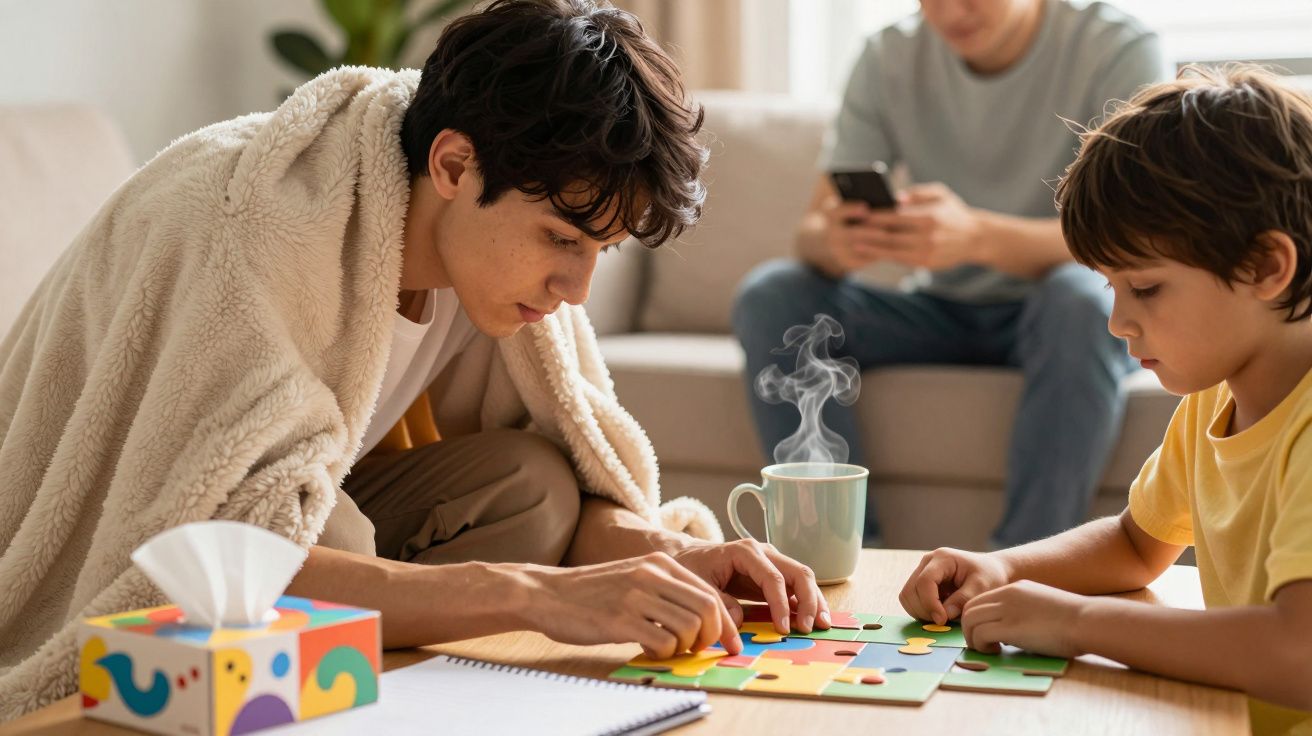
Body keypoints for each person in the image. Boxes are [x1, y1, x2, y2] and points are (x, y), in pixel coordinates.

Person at [0, 0, 828, 718]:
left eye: (598, 251)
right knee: (343, 543)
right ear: (455, 164)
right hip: (161, 539)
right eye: (562, 239)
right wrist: (538, 598)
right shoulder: (248, 223)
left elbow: (575, 490)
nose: (575, 289)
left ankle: (397, 645)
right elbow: (206, 546)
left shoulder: (491, 273)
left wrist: (670, 558)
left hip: (322, 507)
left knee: (535, 485)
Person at [900, 66, 1312, 735]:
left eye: (1145, 289)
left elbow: (1300, 655)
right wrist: (1002, 566)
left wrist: (1079, 623)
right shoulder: (1215, 404)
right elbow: (1133, 543)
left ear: (1267, 267)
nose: (1118, 322)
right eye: (1110, 288)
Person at [733, 0, 1172, 548]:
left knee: (1079, 299)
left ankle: (1026, 564)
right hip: (937, 312)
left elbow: (1136, 236)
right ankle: (834, 557)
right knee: (773, 293)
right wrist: (839, 240)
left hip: (1057, 310)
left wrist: (977, 238)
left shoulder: (1115, 48)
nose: (950, 12)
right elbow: (810, 235)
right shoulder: (889, 54)